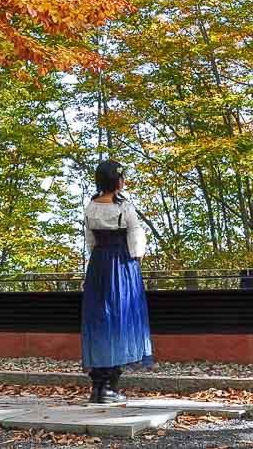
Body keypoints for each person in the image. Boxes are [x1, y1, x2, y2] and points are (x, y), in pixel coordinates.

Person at [82, 160, 153, 404]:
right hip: (122, 265)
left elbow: (90, 241)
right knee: (120, 320)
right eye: (121, 177)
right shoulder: (125, 208)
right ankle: (109, 386)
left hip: (99, 266)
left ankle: (99, 387)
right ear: (116, 180)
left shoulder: (90, 207)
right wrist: (134, 262)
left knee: (100, 319)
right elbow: (136, 239)